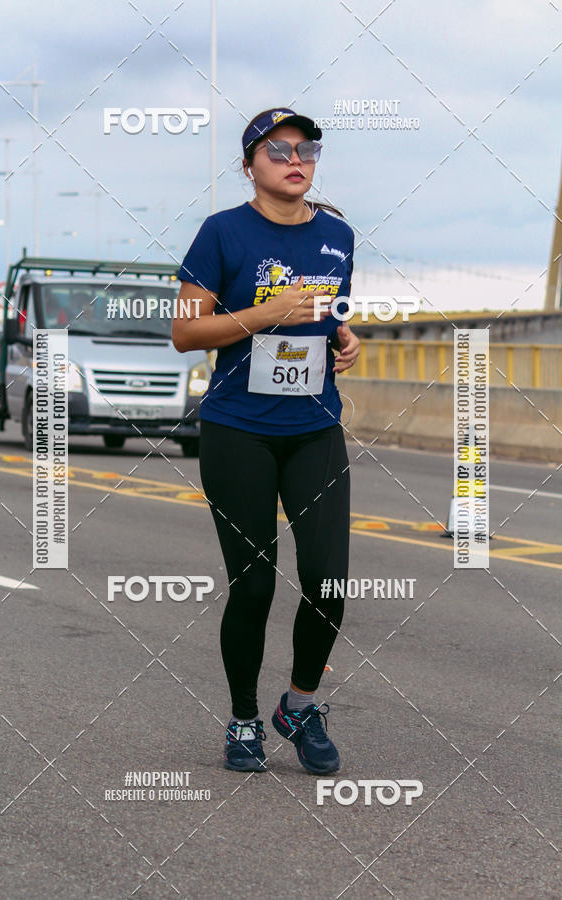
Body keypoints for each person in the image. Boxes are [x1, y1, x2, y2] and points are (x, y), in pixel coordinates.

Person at [173, 107, 360, 775]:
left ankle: (299, 705)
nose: (296, 158)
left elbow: (330, 309)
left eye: (307, 147)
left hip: (314, 429)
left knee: (329, 579)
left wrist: (343, 336)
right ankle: (246, 718)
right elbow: (187, 334)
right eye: (278, 149)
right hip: (237, 431)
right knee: (253, 587)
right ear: (250, 163)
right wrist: (264, 314)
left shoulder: (338, 235)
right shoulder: (222, 233)